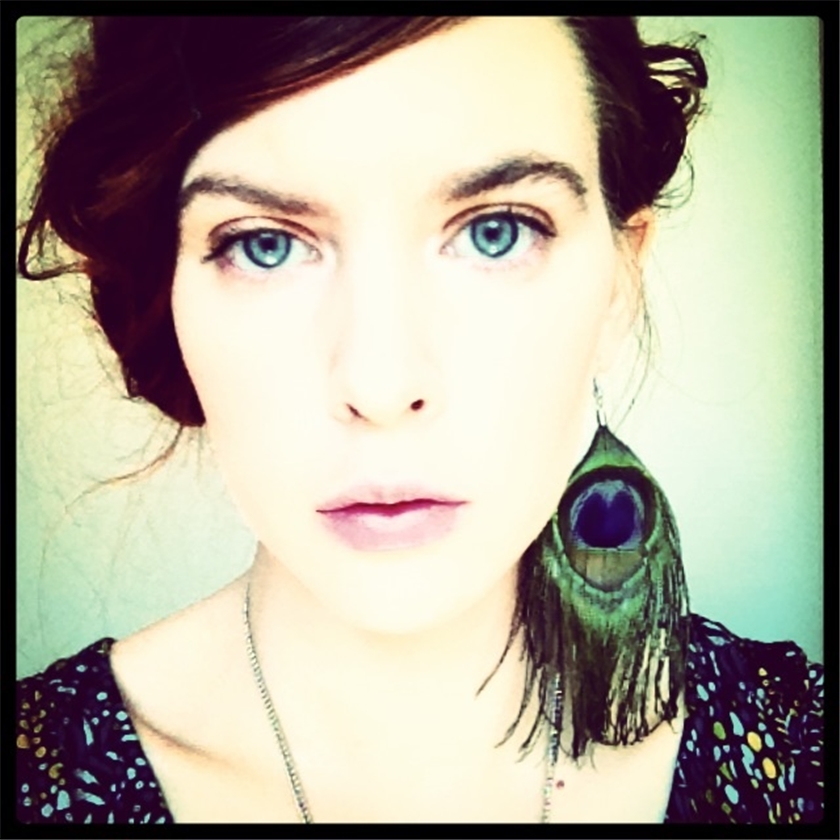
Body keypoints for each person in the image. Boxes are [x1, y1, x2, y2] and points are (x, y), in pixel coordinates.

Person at [15, 15, 823, 825]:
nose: (381, 385)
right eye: (265, 244)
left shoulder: (801, 752)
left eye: (496, 232)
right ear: (168, 296)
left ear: (619, 286)